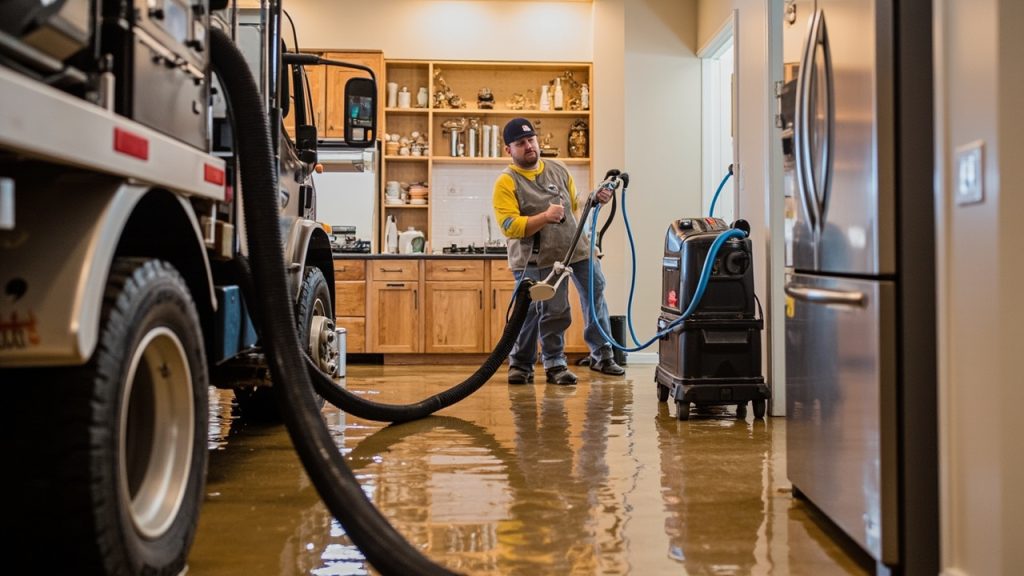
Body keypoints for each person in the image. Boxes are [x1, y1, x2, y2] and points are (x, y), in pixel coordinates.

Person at [493, 117, 626, 385]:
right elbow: (510, 227)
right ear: (509, 150)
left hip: (575, 247)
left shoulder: (558, 168)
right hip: (535, 257)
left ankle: (602, 355)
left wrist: (594, 197)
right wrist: (544, 216)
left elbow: (574, 202)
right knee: (547, 309)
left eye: (531, 140)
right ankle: (535, 364)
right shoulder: (506, 183)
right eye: (521, 143)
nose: (528, 146)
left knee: (596, 290)